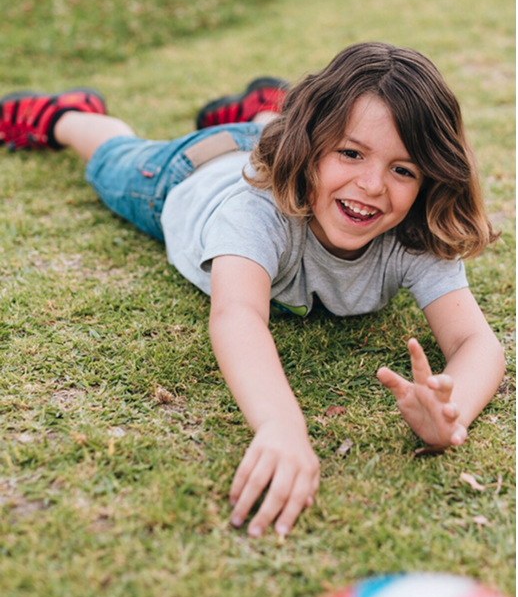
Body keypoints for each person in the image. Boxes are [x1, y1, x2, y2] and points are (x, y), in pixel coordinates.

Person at [0, 43, 505, 540]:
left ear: (430, 178)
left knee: (269, 130)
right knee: (115, 154)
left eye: (403, 169)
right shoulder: (256, 213)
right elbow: (238, 314)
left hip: (273, 138)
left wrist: (451, 410)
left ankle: (266, 109)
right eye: (351, 152)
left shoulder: (415, 234)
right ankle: (66, 114)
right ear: (310, 145)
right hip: (192, 171)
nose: (373, 184)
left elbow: (476, 344)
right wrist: (281, 425)